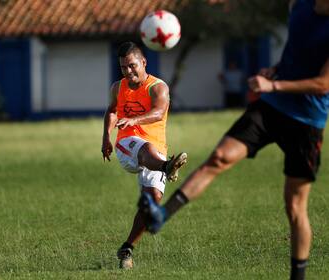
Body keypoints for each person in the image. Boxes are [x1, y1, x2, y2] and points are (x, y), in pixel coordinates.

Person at [138, 1, 329, 279]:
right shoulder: (298, 6)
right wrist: (275, 70)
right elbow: (297, 51)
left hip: (307, 122)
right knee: (219, 158)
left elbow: (324, 84)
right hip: (272, 107)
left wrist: (273, 84)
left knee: (295, 206)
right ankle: (161, 215)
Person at [101, 42, 187, 269]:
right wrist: (106, 137)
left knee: (152, 204)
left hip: (157, 150)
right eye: (123, 68)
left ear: (144, 63)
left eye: (132, 66)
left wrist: (134, 119)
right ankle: (167, 168)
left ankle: (127, 248)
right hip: (126, 145)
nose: (128, 72)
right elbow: (111, 110)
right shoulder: (118, 88)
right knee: (143, 148)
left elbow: (159, 112)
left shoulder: (158, 87)